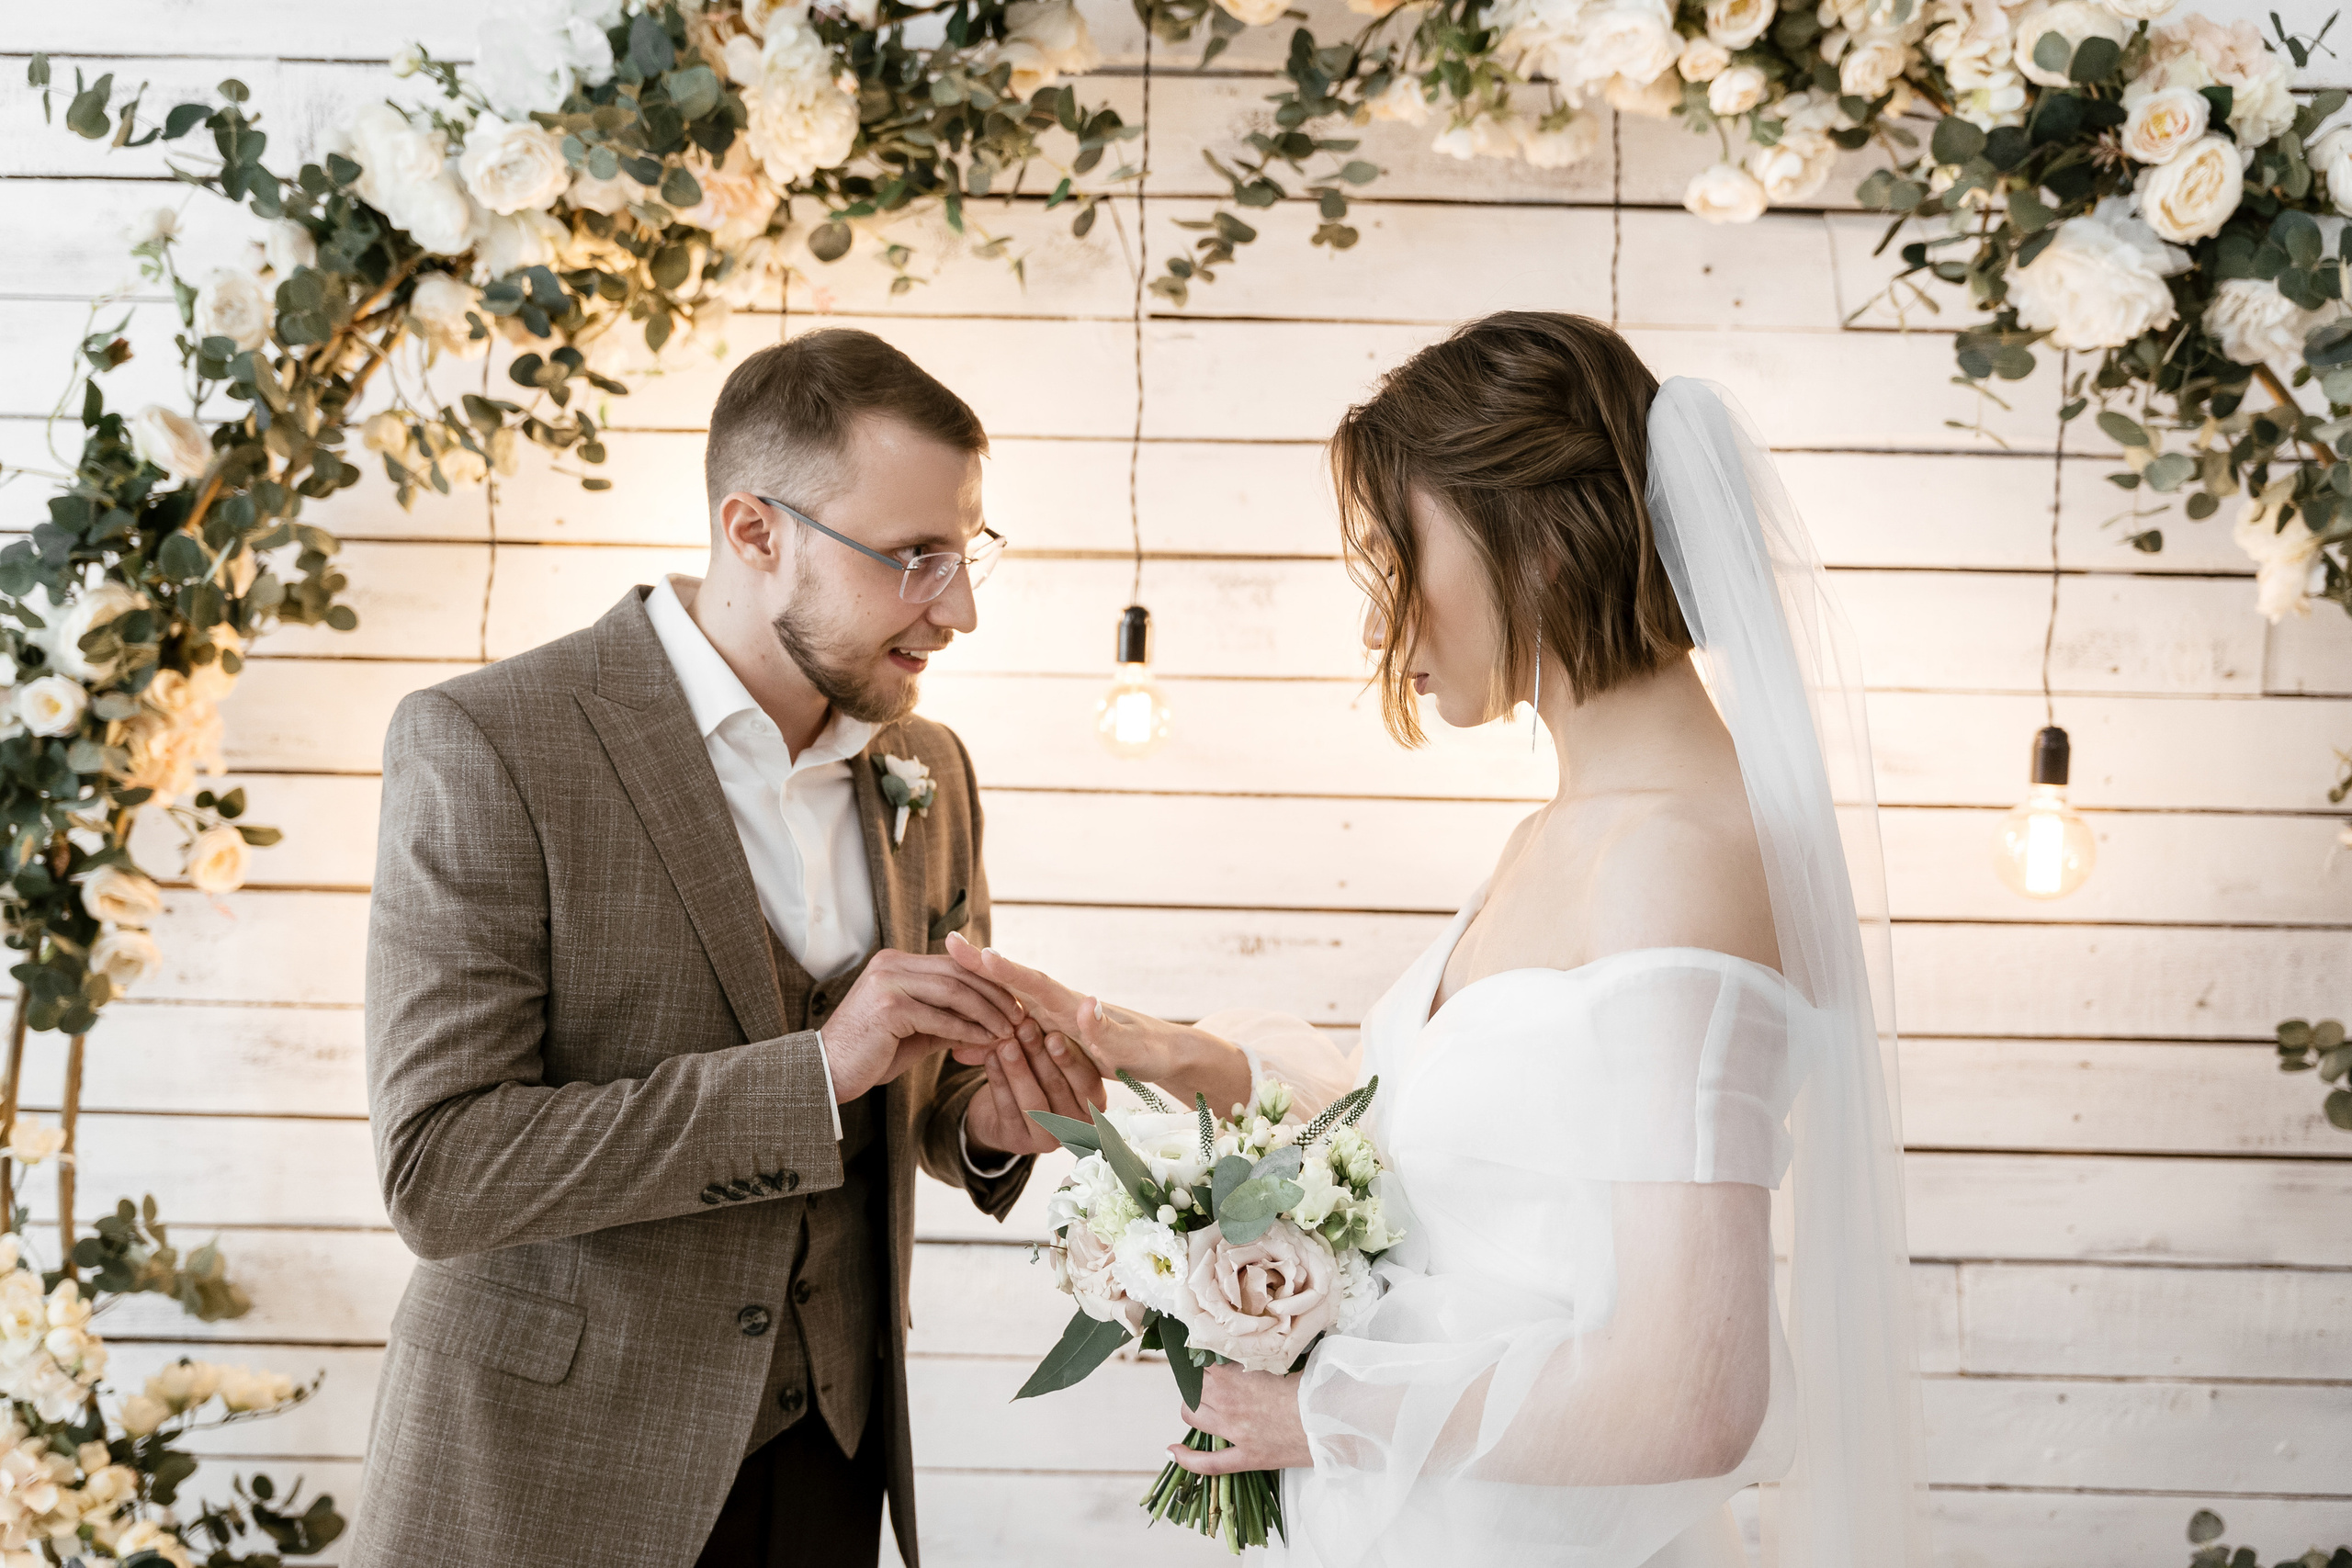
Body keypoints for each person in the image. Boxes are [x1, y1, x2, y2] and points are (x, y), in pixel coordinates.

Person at [945, 312, 1930, 1566]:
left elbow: (1694, 1394)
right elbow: (1467, 1169)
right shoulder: (1565, 835)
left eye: (1395, 558)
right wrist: (1189, 1059)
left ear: (1533, 538)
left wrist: (1321, 1416)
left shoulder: (1677, 859)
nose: (1380, 628)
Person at [354, 328, 1104, 1568]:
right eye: (915, 558)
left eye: (968, 555)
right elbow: (443, 1169)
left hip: (831, 1472)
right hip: (555, 1481)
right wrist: (816, 1072)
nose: (959, 610)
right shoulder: (491, 742)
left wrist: (982, 1122)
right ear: (756, 532)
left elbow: (914, 1095)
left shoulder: (927, 765)